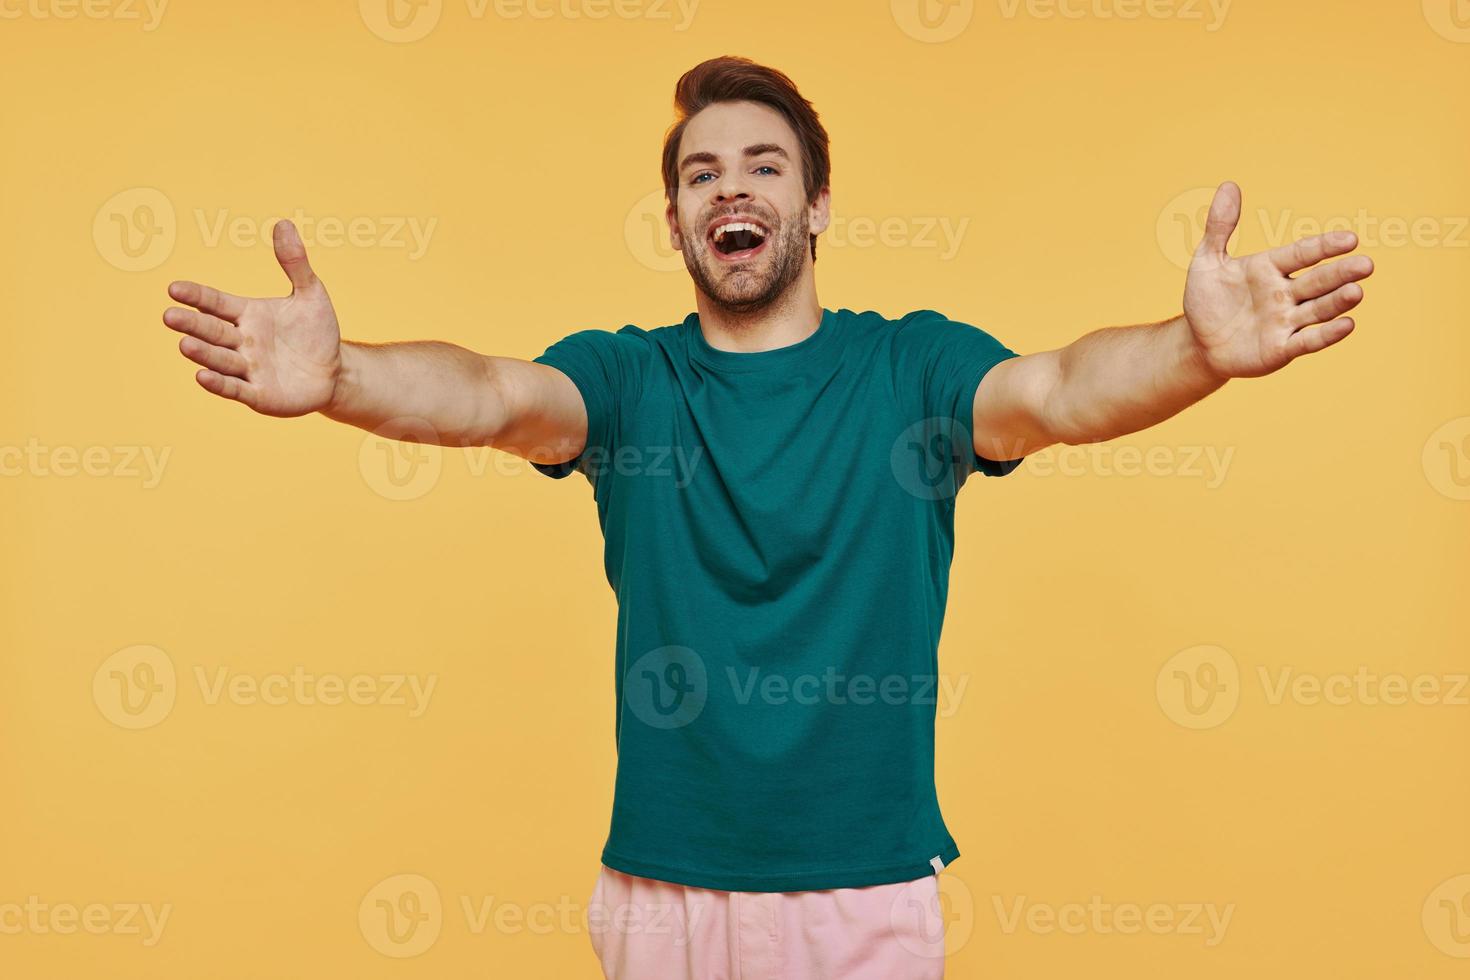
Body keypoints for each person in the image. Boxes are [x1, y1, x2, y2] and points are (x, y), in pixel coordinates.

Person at [160, 54, 1372, 980]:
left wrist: (1193, 353)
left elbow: (1059, 389)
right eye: (700, 174)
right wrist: (343, 378)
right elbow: (487, 392)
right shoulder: (629, 383)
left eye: (763, 166)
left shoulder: (913, 372)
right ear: (678, 219)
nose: (728, 187)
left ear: (818, 205)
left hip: (863, 891)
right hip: (661, 890)